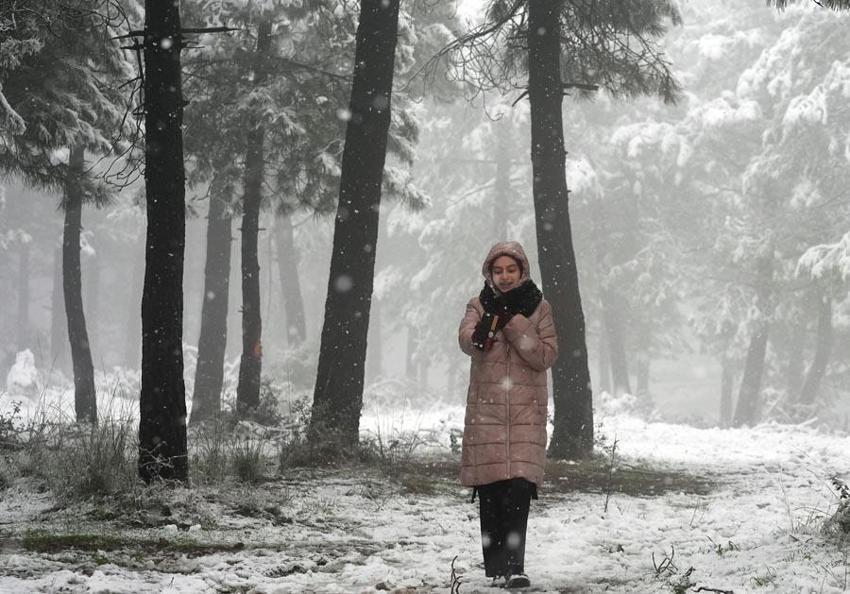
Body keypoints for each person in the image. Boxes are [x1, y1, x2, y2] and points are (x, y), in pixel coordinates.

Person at [458, 241, 558, 590]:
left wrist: (514, 324)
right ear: (490, 272)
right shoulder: (478, 305)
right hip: (487, 413)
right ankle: (496, 566)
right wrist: (488, 323)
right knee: (491, 492)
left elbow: (545, 355)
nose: (504, 277)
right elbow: (468, 343)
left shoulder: (539, 308)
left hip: (525, 414)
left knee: (518, 488)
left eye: (510, 270)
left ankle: (516, 567)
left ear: (522, 271)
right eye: (498, 271)